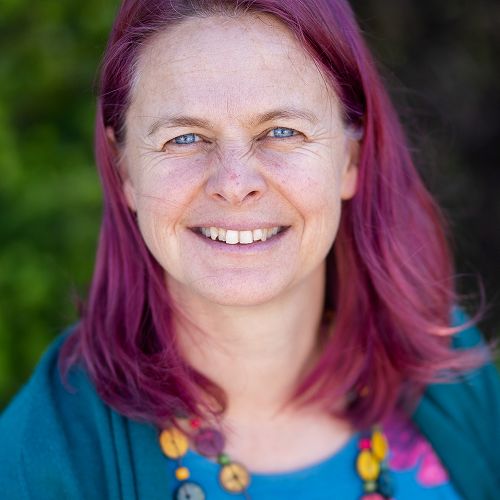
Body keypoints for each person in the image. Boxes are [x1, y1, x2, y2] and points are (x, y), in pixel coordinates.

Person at [1, 0, 499, 499]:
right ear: (125, 168)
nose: (234, 184)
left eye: (282, 132)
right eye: (185, 138)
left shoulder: (446, 367)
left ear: (350, 157)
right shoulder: (40, 459)